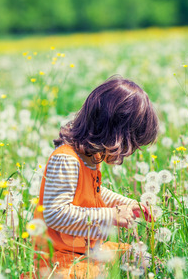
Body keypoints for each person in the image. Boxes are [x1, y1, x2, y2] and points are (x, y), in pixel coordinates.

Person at [31, 75, 159, 278]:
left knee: (143, 258)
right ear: (113, 133)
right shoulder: (65, 159)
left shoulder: (91, 157)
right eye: (129, 145)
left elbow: (93, 193)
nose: (128, 153)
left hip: (87, 248)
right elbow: (55, 214)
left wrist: (127, 204)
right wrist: (112, 216)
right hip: (60, 257)